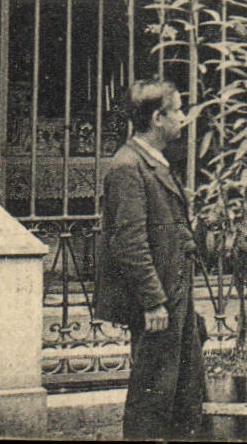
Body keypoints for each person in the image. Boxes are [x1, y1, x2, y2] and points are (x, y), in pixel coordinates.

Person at [94, 80, 207, 441]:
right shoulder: (128, 166)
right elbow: (129, 241)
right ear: (158, 118)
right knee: (153, 391)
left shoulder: (152, 161)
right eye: (176, 111)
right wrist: (153, 301)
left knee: (183, 387)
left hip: (175, 291)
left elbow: (167, 221)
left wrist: (187, 241)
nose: (183, 119)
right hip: (159, 300)